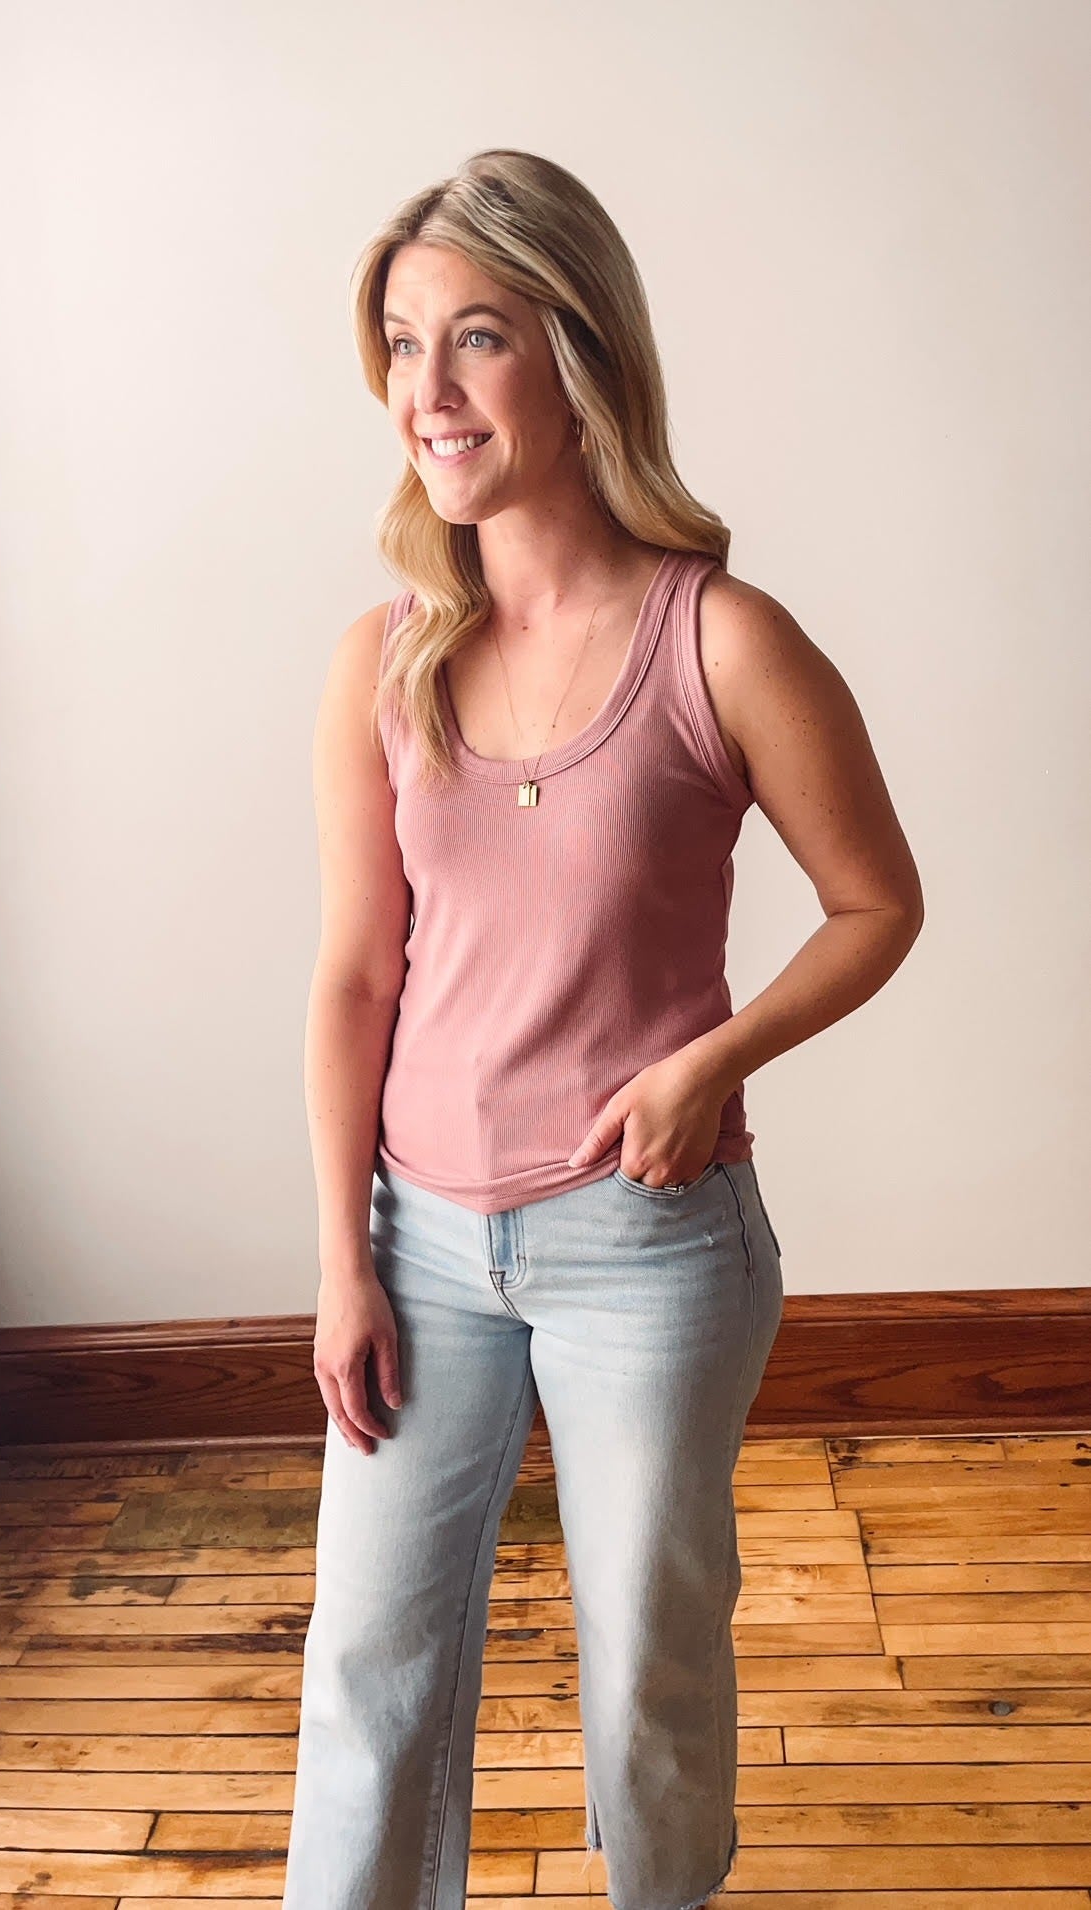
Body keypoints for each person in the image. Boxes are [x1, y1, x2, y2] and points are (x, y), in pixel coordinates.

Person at [282, 148, 924, 1910]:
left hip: (646, 1248)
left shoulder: (722, 642)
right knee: (366, 1663)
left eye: (475, 337)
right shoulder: (382, 661)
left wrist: (713, 1059)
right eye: (401, 343)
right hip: (417, 1241)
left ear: (576, 355)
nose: (426, 390)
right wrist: (340, 1261)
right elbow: (352, 979)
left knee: (648, 1657)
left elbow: (877, 903)